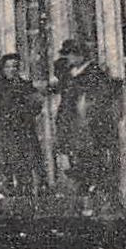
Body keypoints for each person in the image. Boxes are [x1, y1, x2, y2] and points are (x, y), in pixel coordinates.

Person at [51, 40, 121, 194]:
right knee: (75, 161)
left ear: (79, 55)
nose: (68, 59)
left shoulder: (94, 73)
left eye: (70, 54)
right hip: (73, 124)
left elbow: (99, 100)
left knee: (92, 159)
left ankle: (93, 192)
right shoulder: (70, 76)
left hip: (88, 124)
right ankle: (84, 192)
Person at [0, 53, 43, 195]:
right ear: (3, 69)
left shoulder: (26, 86)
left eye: (15, 66)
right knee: (6, 166)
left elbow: (37, 105)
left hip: (24, 131)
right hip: (5, 133)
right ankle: (9, 197)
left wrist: (26, 112)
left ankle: (26, 197)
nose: (12, 69)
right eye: (8, 67)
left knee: (25, 166)